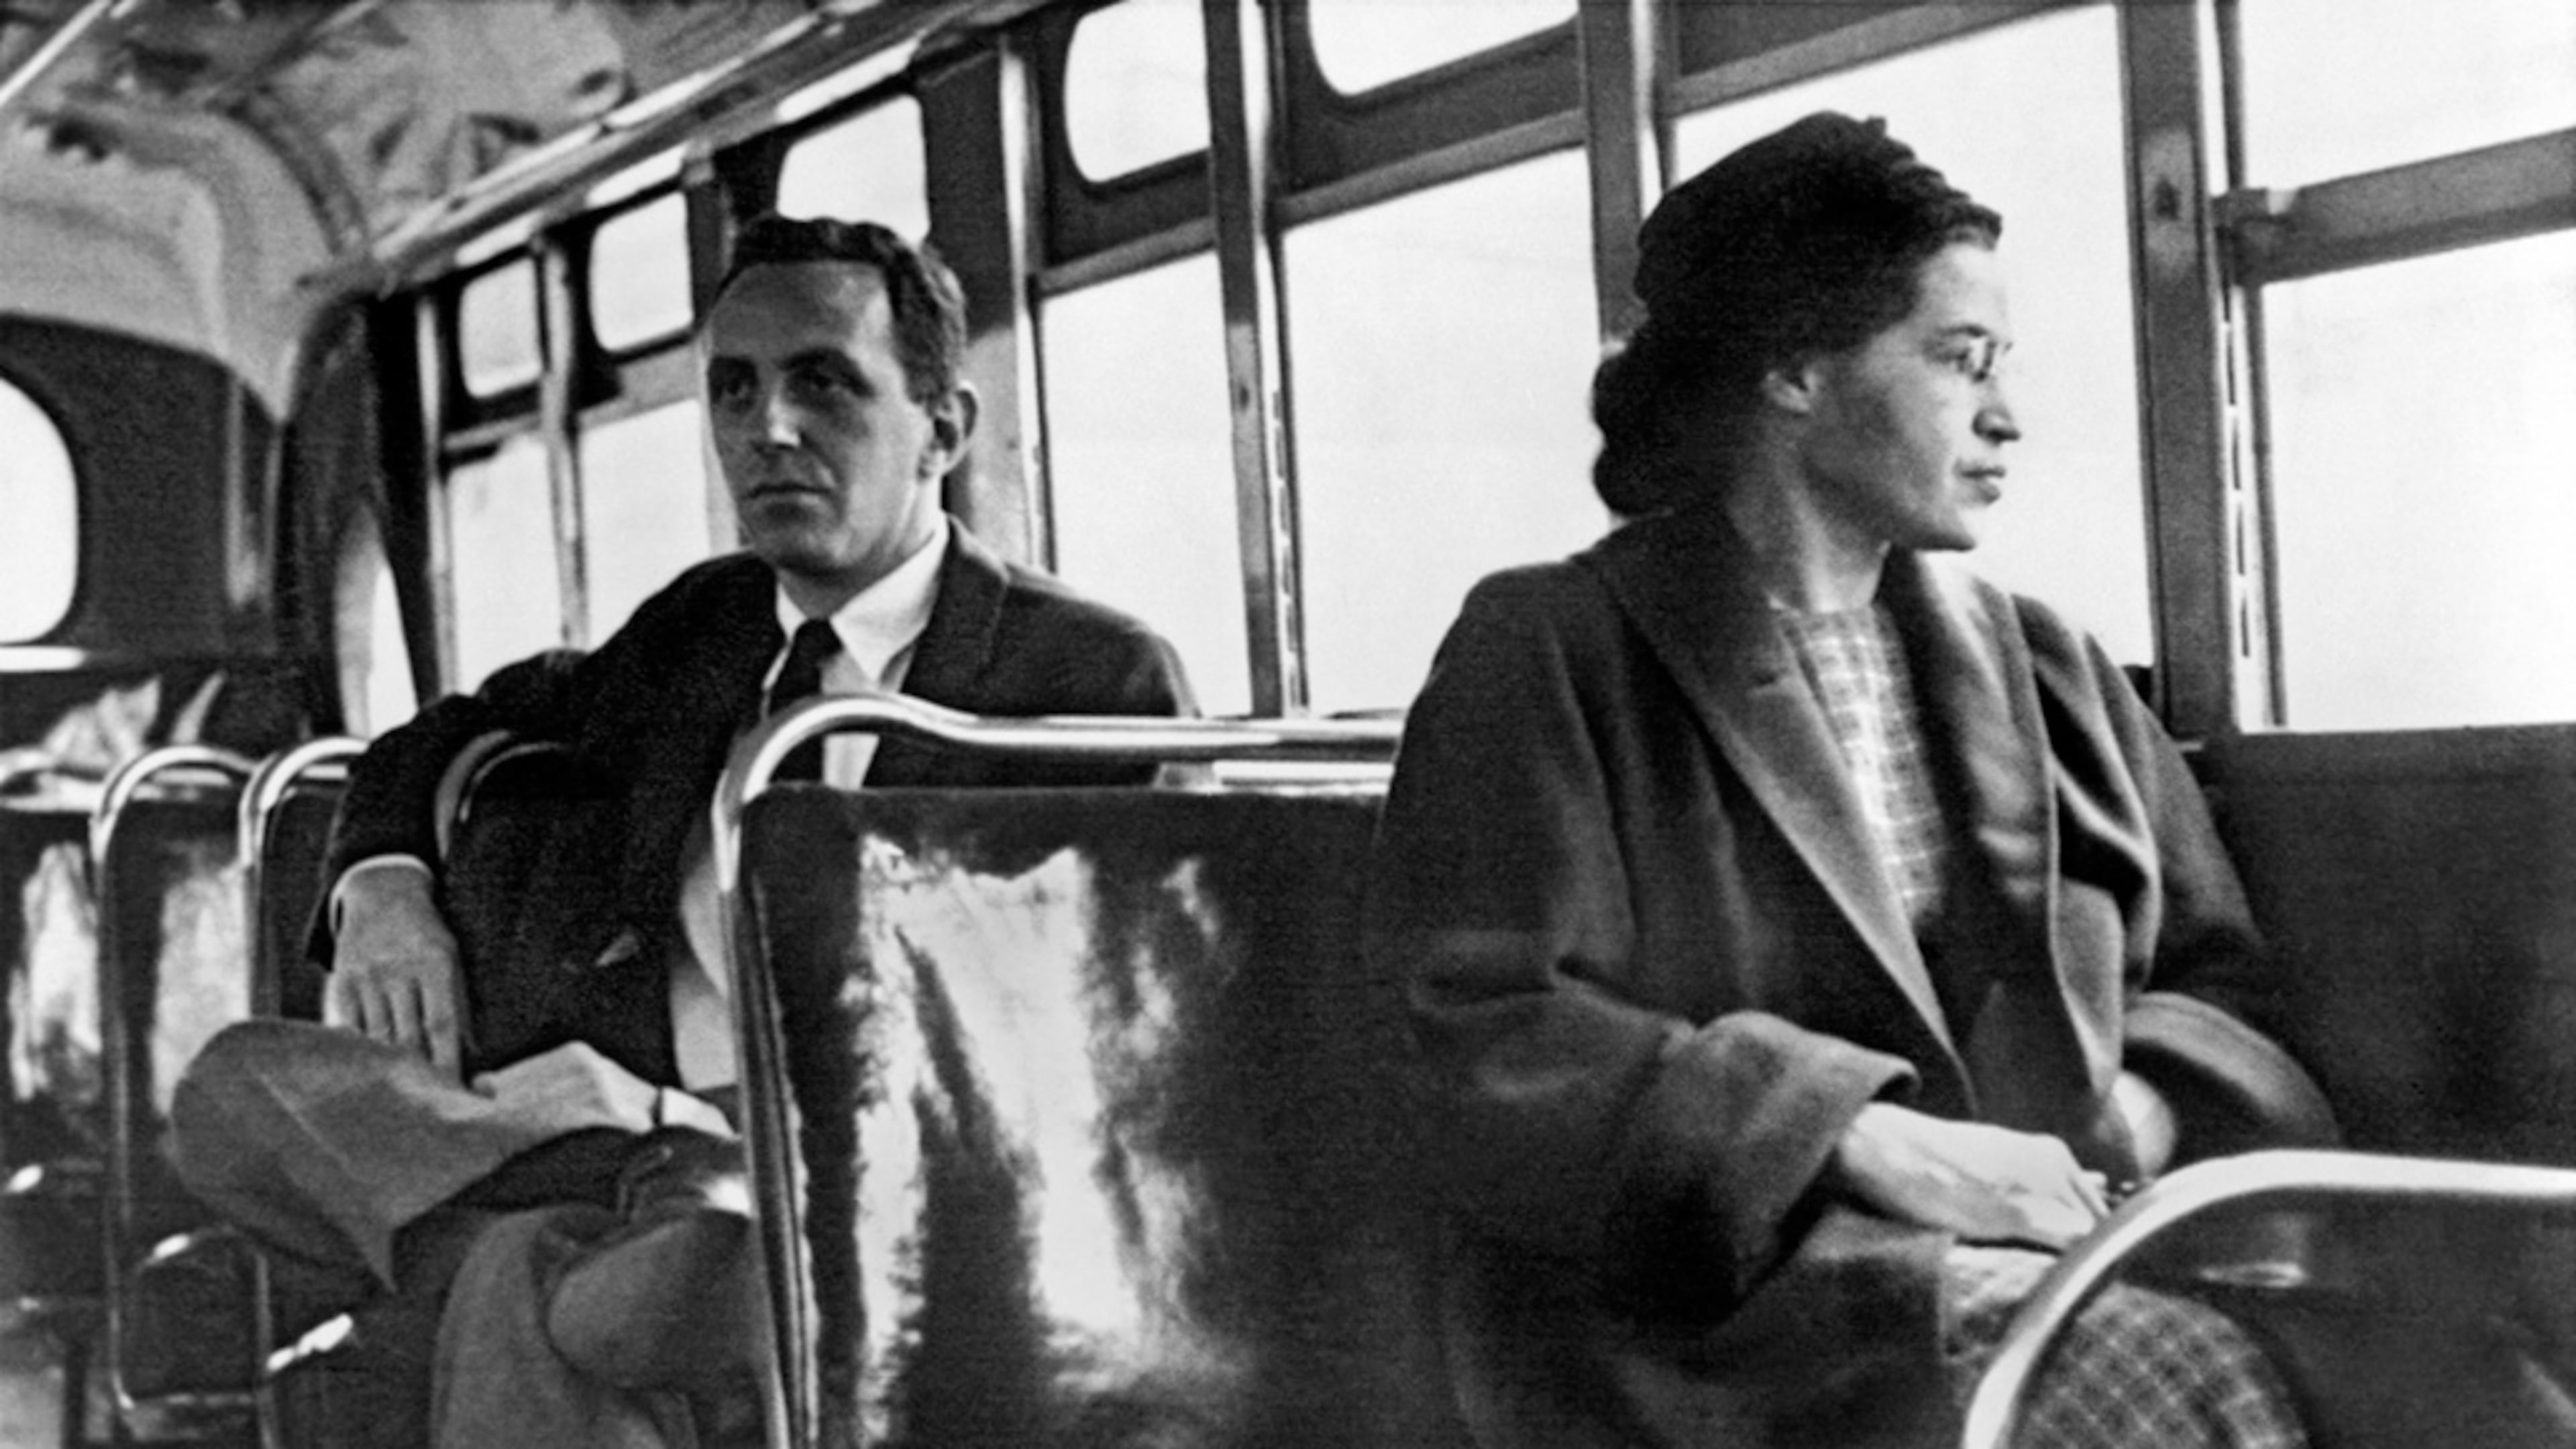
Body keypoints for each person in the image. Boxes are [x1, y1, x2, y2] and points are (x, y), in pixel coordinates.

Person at [1364, 113, 2339, 1449]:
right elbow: (1484, 1039)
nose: (2008, 417)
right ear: (1795, 373)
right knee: (2148, 1381)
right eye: (1959, 362)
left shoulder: (2045, 660)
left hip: (2064, 1231)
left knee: (2443, 1351)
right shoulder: (1549, 650)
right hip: (1728, 1306)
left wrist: (2133, 1111)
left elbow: (2220, 983)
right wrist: (1859, 1138)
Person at [170, 215, 1193, 1448]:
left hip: (900, 1172)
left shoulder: (1086, 676)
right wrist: (385, 888)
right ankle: (651, 1191)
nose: (769, 429)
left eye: (823, 381)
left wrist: (779, 1129)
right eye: (735, 389)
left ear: (945, 430)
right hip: (626, 1134)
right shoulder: (703, 628)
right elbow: (444, 733)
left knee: (517, 1282)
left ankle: (644, 1219)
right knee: (238, 1093)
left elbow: (1115, 1054)